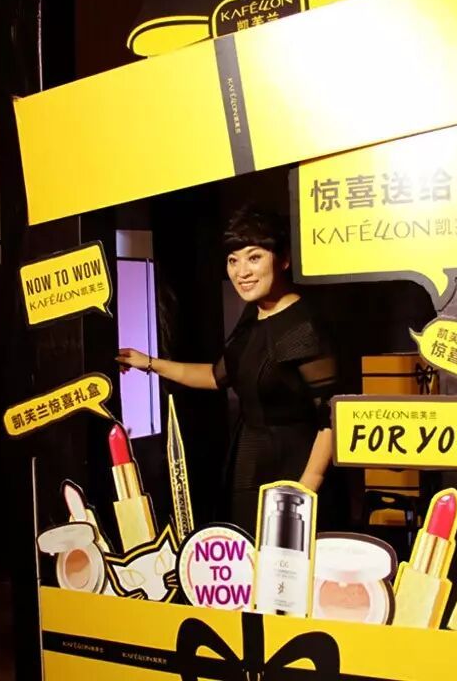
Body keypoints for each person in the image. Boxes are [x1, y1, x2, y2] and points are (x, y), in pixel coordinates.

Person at [115, 207, 342, 536]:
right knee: (245, 554)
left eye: (254, 257)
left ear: (283, 260)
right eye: (233, 260)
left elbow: (331, 417)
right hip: (247, 462)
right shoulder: (253, 315)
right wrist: (148, 362)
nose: (241, 272)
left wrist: (306, 489)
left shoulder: (302, 327)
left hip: (294, 469)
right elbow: (216, 376)